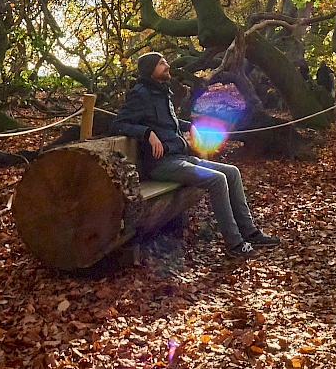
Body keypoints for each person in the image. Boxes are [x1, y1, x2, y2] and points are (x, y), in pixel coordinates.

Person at [111, 52, 280, 261]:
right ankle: (235, 243)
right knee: (217, 180)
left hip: (180, 158)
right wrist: (147, 134)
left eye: (165, 61)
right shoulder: (140, 94)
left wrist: (191, 126)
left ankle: (251, 233)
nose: (167, 65)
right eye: (161, 63)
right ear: (150, 70)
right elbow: (118, 124)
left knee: (232, 172)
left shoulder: (163, 92)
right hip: (160, 164)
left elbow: (168, 125)